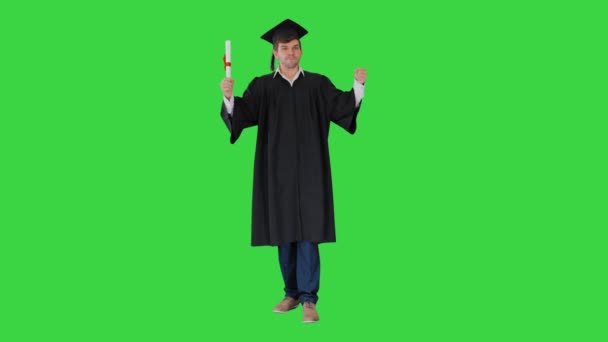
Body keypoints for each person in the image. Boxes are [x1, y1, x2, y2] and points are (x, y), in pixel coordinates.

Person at [219, 19, 367, 323]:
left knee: (309, 234)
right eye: (284, 48)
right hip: (277, 174)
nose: (291, 52)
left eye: (295, 47)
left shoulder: (317, 83)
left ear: (301, 50)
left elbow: (342, 106)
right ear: (275, 52)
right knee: (284, 235)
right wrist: (229, 98)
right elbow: (242, 115)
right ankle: (290, 294)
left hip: (312, 171)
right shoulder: (262, 85)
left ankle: (309, 300)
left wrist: (358, 86)